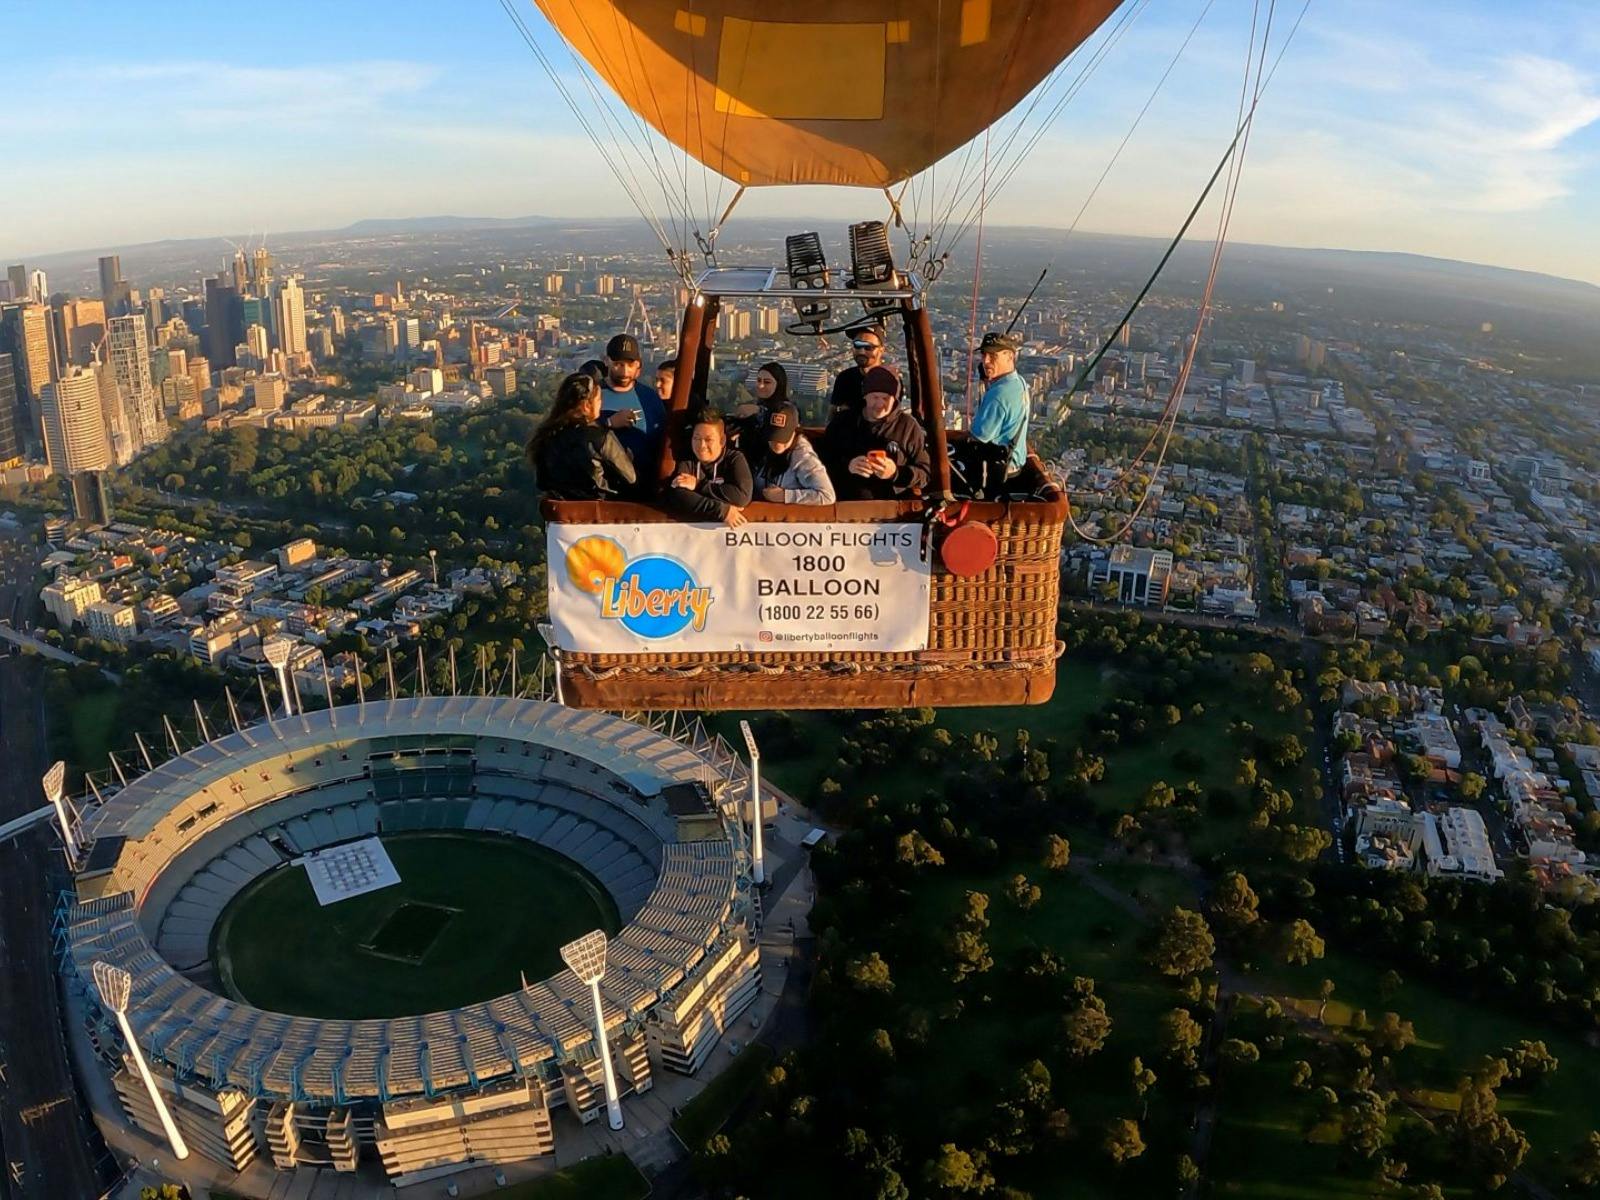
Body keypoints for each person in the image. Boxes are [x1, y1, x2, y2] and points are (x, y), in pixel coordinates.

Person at [822, 365, 930, 500]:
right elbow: (820, 464)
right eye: (875, 397)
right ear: (865, 396)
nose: (879, 404)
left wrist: (895, 473)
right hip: (847, 507)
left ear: (895, 399)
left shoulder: (908, 427)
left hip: (893, 508)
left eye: (885, 399)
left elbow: (925, 473)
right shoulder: (842, 422)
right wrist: (848, 466)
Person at [525, 372, 637, 500]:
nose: (600, 404)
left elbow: (542, 482)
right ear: (586, 405)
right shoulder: (599, 437)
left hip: (561, 513)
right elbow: (630, 477)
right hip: (599, 511)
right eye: (599, 400)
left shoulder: (546, 436)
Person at [957, 330, 1032, 497]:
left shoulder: (999, 395)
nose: (986, 361)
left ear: (1010, 357)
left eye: (993, 356)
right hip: (1015, 466)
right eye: (984, 355)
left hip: (998, 473)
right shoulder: (1019, 383)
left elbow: (978, 436)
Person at [666, 411, 752, 526]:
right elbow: (679, 496)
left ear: (722, 441)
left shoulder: (734, 458)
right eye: (696, 438)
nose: (701, 446)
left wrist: (698, 485)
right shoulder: (688, 459)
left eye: (708, 440)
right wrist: (721, 510)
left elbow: (742, 497)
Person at [598, 333, 665, 466]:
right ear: (606, 361)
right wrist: (608, 423)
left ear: (638, 365)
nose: (624, 372)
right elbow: (574, 435)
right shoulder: (592, 395)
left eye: (630, 365)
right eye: (618, 364)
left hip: (642, 480)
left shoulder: (650, 398)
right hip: (601, 481)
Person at [754, 402, 835, 506]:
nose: (777, 443)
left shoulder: (803, 457)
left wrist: (785, 496)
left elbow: (827, 495)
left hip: (785, 518)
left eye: (783, 437)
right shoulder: (761, 447)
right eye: (773, 436)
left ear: (795, 430)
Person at [827, 326, 887, 413]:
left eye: (868, 347)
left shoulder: (889, 381)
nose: (862, 352)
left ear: (881, 351)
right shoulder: (845, 378)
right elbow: (832, 414)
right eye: (857, 345)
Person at [730, 361, 790, 445]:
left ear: (779, 384)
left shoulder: (788, 409)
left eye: (767, 382)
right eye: (759, 380)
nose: (760, 385)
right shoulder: (754, 403)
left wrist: (758, 411)